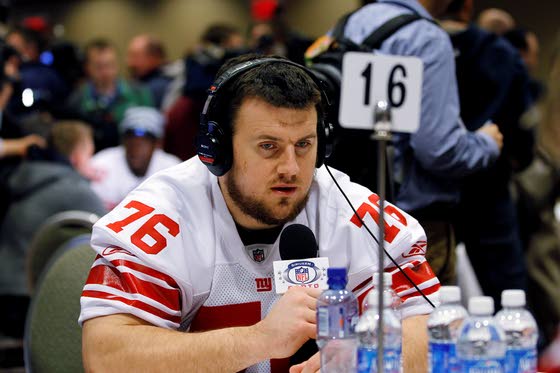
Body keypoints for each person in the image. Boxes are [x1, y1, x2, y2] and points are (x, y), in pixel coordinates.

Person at [80, 54, 440, 372]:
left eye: (304, 145)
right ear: (217, 150)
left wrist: (364, 359)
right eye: (268, 147)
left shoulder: (352, 213)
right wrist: (259, 340)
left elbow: (434, 327)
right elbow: (106, 355)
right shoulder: (162, 218)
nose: (292, 168)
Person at [338, 0, 504, 285]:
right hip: (414, 225)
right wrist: (487, 143)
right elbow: (439, 150)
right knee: (423, 325)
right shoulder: (426, 38)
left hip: (353, 213)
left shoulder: (348, 24)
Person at [440, 0, 534, 308]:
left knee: (427, 307)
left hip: (429, 199)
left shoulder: (410, 47)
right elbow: (523, 138)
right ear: (467, 7)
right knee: (507, 303)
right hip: (489, 195)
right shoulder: (502, 55)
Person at [0, 120, 105, 338]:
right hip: (26, 299)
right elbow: (113, 234)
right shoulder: (74, 188)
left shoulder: (26, 174)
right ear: (77, 156)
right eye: (89, 155)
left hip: (5, 287)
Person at [164, 23, 246, 161]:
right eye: (236, 45)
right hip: (193, 120)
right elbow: (199, 89)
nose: (240, 51)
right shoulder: (198, 61)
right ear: (222, 45)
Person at [66, 38, 153, 151]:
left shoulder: (139, 94)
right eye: (99, 67)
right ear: (87, 68)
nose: (106, 72)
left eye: (110, 65)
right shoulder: (76, 100)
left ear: (117, 64)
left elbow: (152, 133)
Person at [90, 106, 181, 210]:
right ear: (123, 141)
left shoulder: (173, 169)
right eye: (131, 140)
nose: (136, 149)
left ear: (157, 144)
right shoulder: (101, 163)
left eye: (144, 142)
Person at [126, 34, 172, 109]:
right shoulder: (137, 81)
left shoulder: (160, 87)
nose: (130, 63)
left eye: (135, 56)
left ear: (154, 58)